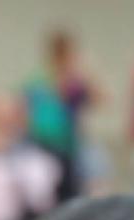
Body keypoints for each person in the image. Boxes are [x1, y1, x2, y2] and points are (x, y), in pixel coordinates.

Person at [23, 31, 102, 203]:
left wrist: (85, 75)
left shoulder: (76, 81)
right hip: (42, 143)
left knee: (75, 188)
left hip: (68, 145)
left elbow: (98, 99)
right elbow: (25, 111)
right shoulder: (38, 81)